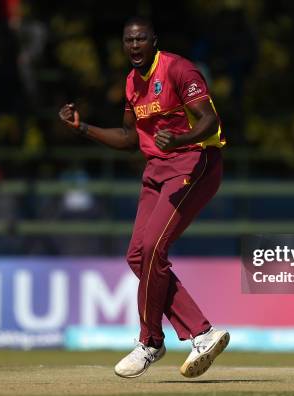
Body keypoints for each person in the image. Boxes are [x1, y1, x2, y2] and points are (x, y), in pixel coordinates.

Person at [59, 16, 229, 379]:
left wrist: (180, 140)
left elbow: (209, 122)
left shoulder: (179, 70)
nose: (134, 46)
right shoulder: (132, 83)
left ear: (154, 40)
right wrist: (82, 128)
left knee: (153, 249)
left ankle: (150, 341)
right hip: (156, 169)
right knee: (138, 255)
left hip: (194, 161)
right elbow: (127, 138)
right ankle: (202, 332)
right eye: (128, 41)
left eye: (141, 39)